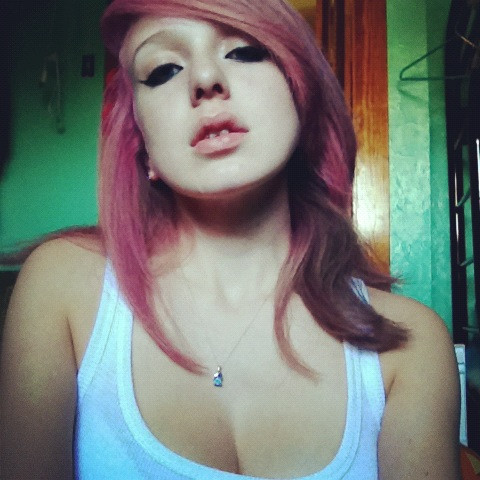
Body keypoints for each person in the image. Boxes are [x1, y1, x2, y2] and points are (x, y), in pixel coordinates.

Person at [0, 0, 461, 478]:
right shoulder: (63, 287)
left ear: (301, 95)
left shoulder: (412, 346)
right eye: (163, 70)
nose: (205, 79)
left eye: (244, 51)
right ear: (143, 146)